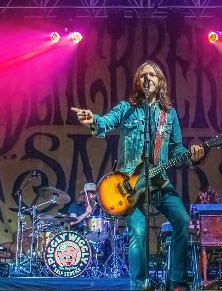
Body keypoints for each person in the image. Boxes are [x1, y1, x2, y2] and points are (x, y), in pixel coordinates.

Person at [73, 60, 205, 291]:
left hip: (159, 181)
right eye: (143, 75)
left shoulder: (168, 114)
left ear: (159, 81)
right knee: (139, 231)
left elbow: (175, 148)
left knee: (183, 221)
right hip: (129, 185)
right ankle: (139, 284)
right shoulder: (126, 108)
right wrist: (93, 120)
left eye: (152, 75)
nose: (148, 78)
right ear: (137, 82)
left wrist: (193, 156)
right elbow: (106, 122)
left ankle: (177, 282)